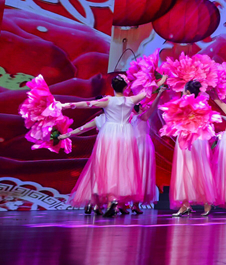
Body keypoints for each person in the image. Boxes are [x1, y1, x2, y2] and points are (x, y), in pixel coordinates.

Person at [59, 74, 163, 217]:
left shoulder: (108, 100)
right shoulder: (131, 100)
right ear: (126, 87)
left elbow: (87, 104)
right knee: (122, 167)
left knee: (107, 166)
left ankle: (109, 200)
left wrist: (64, 105)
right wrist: (163, 79)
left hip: (109, 133)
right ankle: (113, 200)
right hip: (126, 133)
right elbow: (149, 90)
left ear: (112, 86)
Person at [169, 80, 217, 217]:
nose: (182, 93)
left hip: (191, 138)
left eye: (183, 91)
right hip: (197, 138)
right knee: (197, 168)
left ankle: (192, 204)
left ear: (188, 92)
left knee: (188, 169)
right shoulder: (203, 104)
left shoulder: (183, 104)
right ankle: (194, 204)